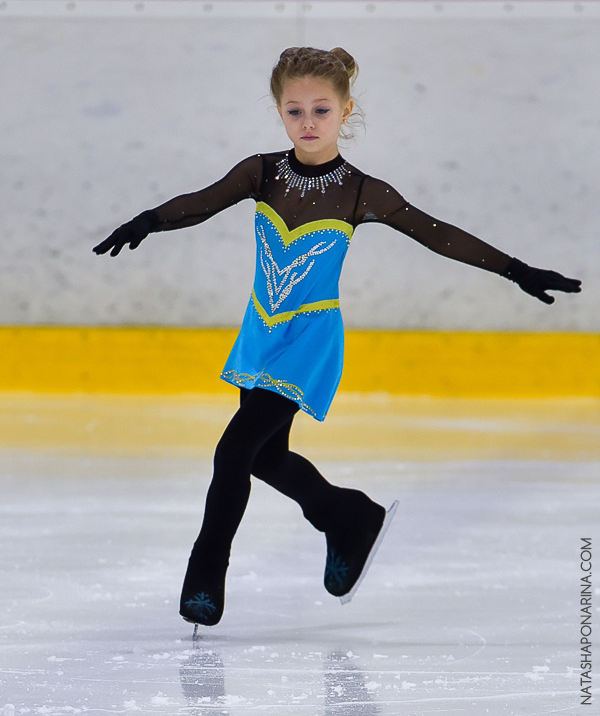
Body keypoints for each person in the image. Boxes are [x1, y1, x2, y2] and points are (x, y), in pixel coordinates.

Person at [93, 46, 581, 628]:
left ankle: (207, 570)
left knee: (232, 452)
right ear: (279, 112)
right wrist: (148, 220)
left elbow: (437, 234)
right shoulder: (261, 172)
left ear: (346, 111)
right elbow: (200, 203)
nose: (307, 122)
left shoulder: (361, 192)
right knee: (265, 457)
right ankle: (345, 514)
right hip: (261, 329)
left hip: (309, 340)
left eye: (321, 110)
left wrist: (516, 269)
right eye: (294, 110)